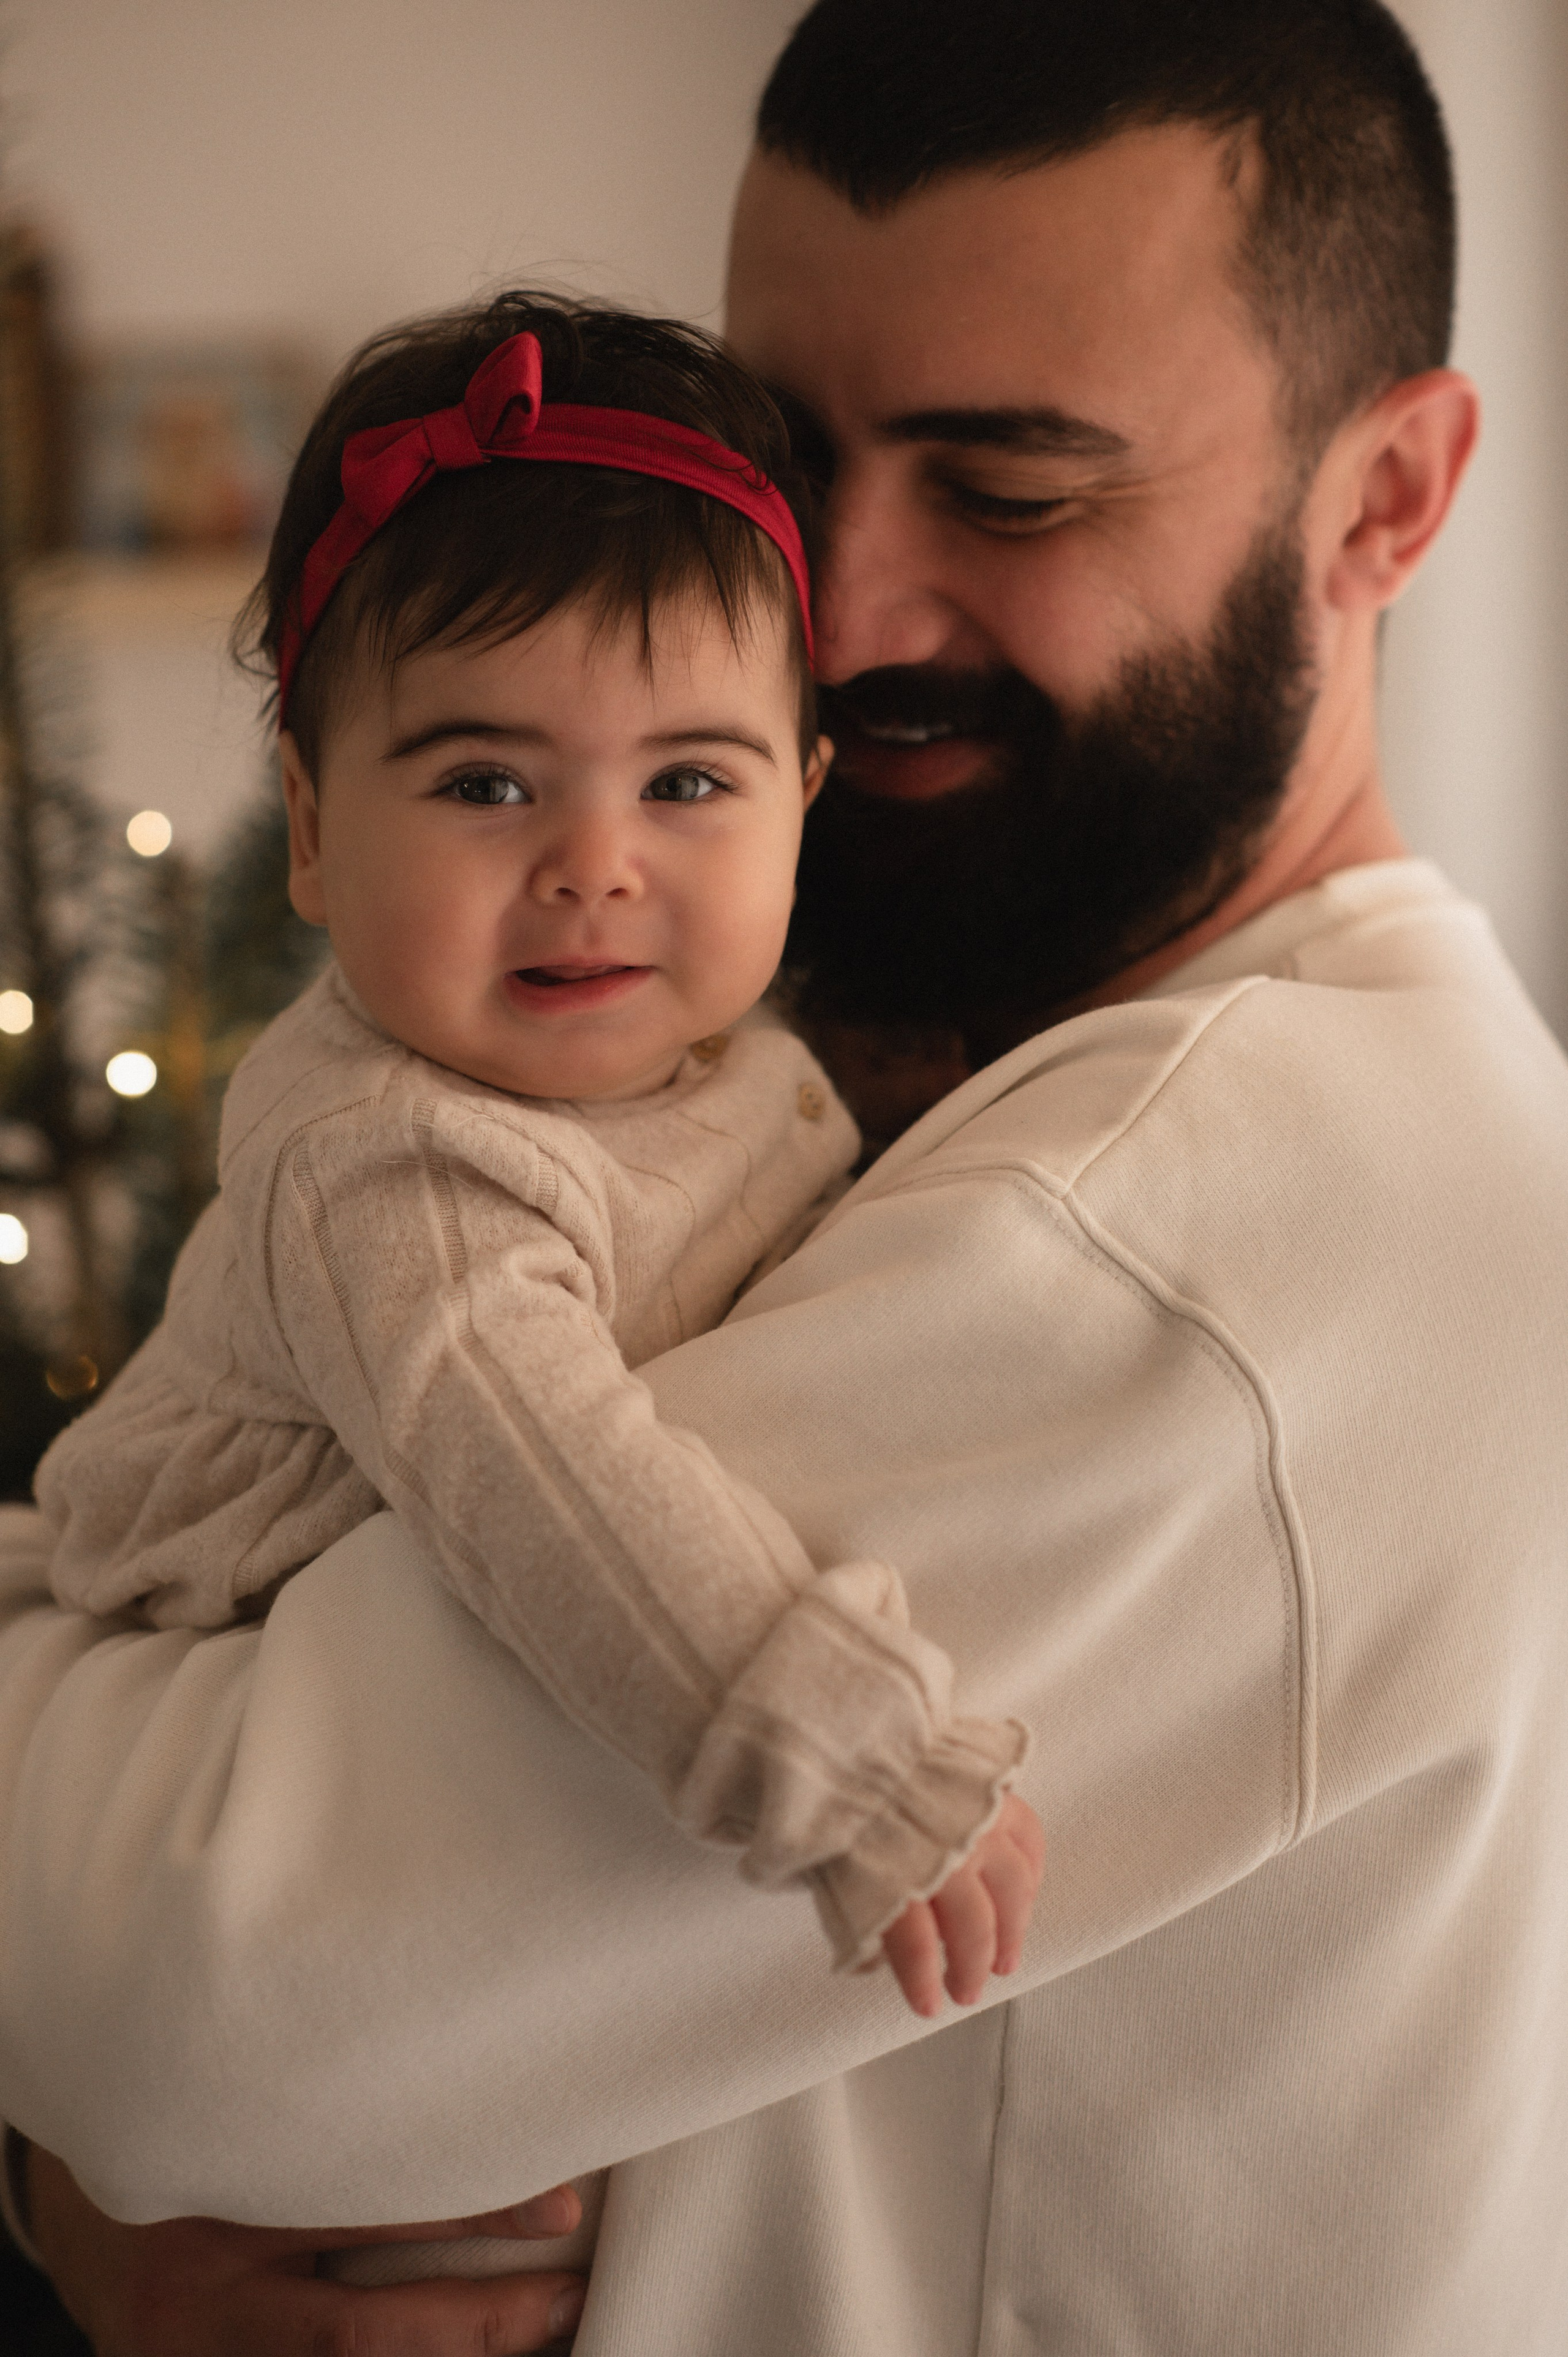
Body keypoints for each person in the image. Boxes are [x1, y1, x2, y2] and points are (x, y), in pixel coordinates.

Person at [4, 1, 1567, 2351]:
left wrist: (94, 2129)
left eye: (1015, 492)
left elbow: (208, 2001)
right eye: (782, 463)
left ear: (1389, 500)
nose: (829, 613)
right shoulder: (847, 1073)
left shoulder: (1217, 1206)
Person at [34, 295, 1036, 2032]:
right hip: (233, 1731)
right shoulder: (391, 1163)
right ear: (317, 827)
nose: (595, 862)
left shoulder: (734, 1053)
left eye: (690, 783)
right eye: (489, 784)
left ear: (806, 793)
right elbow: (556, 1491)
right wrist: (852, 1767)